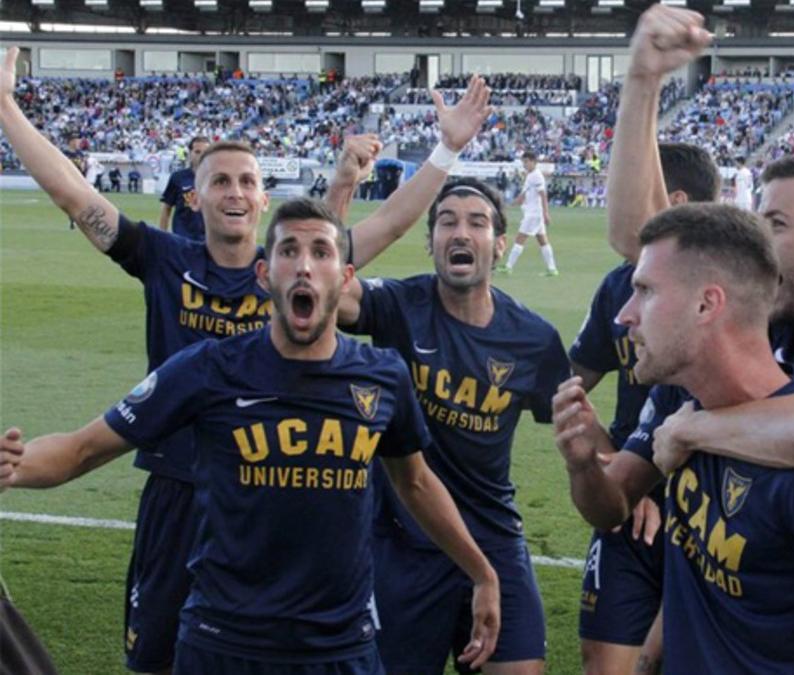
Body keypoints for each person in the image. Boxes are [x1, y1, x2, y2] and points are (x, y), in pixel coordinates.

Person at [0, 45, 494, 673]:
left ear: (264, 200)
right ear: (194, 198)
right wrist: (6, 107)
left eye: (247, 182)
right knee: (163, 653)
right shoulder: (167, 262)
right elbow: (75, 196)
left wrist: (445, 153)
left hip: (283, 484)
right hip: (181, 488)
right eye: (220, 181)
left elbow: (392, 224)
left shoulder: (303, 270)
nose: (235, 192)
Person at [553, 203, 794, 673]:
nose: (624, 315)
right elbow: (701, 577)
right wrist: (584, 463)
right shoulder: (682, 410)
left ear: (707, 304)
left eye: (644, 291)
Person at [330, 171, 570, 673]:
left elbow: (575, 428)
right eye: (447, 222)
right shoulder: (398, 305)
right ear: (431, 242)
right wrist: (344, 187)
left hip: (493, 536)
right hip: (403, 540)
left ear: (499, 245)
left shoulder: (534, 339)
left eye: (477, 222)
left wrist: (632, 486)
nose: (461, 232)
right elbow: (325, 280)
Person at [571, 141, 720, 675]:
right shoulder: (618, 288)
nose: (633, 316)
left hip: (714, 511)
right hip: (629, 496)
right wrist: (618, 470)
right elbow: (572, 387)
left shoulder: (739, 289)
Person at [499, 150, 559, 276]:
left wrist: (546, 213)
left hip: (534, 214)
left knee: (520, 239)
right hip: (533, 213)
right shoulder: (531, 175)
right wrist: (510, 204)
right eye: (523, 162)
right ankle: (552, 269)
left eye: (526, 162)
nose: (524, 164)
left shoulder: (536, 176)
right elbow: (523, 196)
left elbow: (543, 195)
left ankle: (508, 267)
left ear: (533, 162)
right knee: (543, 240)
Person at [159, 136, 211, 241]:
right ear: (190, 153)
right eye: (197, 152)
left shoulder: (217, 178)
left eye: (205, 153)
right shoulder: (178, 177)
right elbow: (166, 209)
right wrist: (163, 237)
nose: (201, 156)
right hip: (182, 239)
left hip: (209, 241)